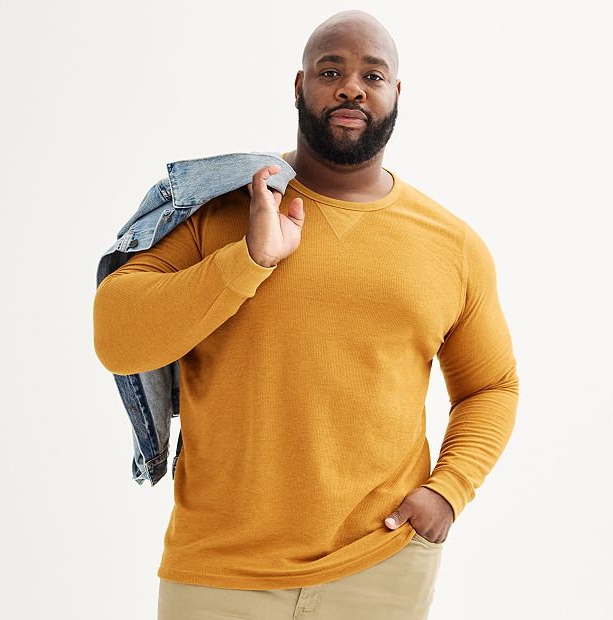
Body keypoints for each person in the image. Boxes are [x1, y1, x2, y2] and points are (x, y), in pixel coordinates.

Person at [93, 9, 519, 620]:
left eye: (373, 76)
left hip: (382, 566)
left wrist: (448, 491)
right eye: (331, 71)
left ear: (397, 93)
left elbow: (492, 386)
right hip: (217, 572)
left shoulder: (453, 245)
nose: (352, 88)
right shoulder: (220, 209)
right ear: (299, 86)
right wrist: (249, 260)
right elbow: (117, 338)